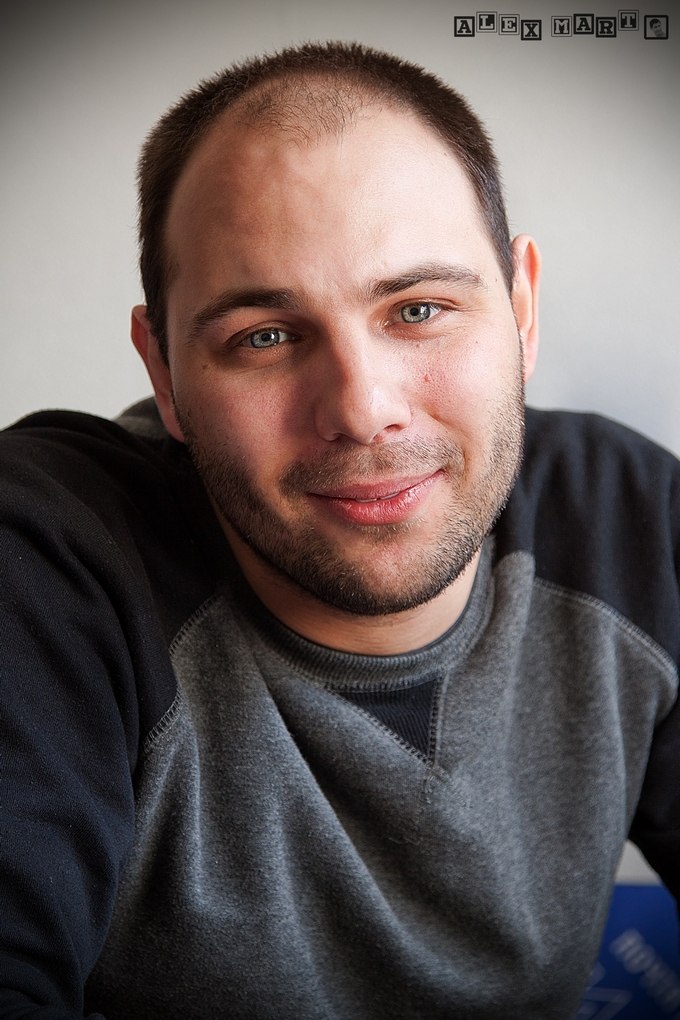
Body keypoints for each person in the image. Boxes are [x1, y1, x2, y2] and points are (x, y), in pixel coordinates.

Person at [0, 40, 678, 1020]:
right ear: (165, 374)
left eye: (419, 309)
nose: (362, 411)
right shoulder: (51, 557)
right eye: (265, 337)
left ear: (522, 311)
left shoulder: (629, 520)